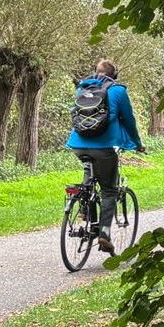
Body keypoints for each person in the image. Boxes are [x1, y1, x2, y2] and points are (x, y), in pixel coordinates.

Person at [65, 58, 143, 253]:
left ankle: (84, 206)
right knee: (109, 190)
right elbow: (129, 120)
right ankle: (104, 234)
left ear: (95, 72)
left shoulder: (82, 89)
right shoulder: (118, 91)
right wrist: (137, 143)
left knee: (88, 170)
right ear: (115, 76)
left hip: (77, 145)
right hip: (104, 147)